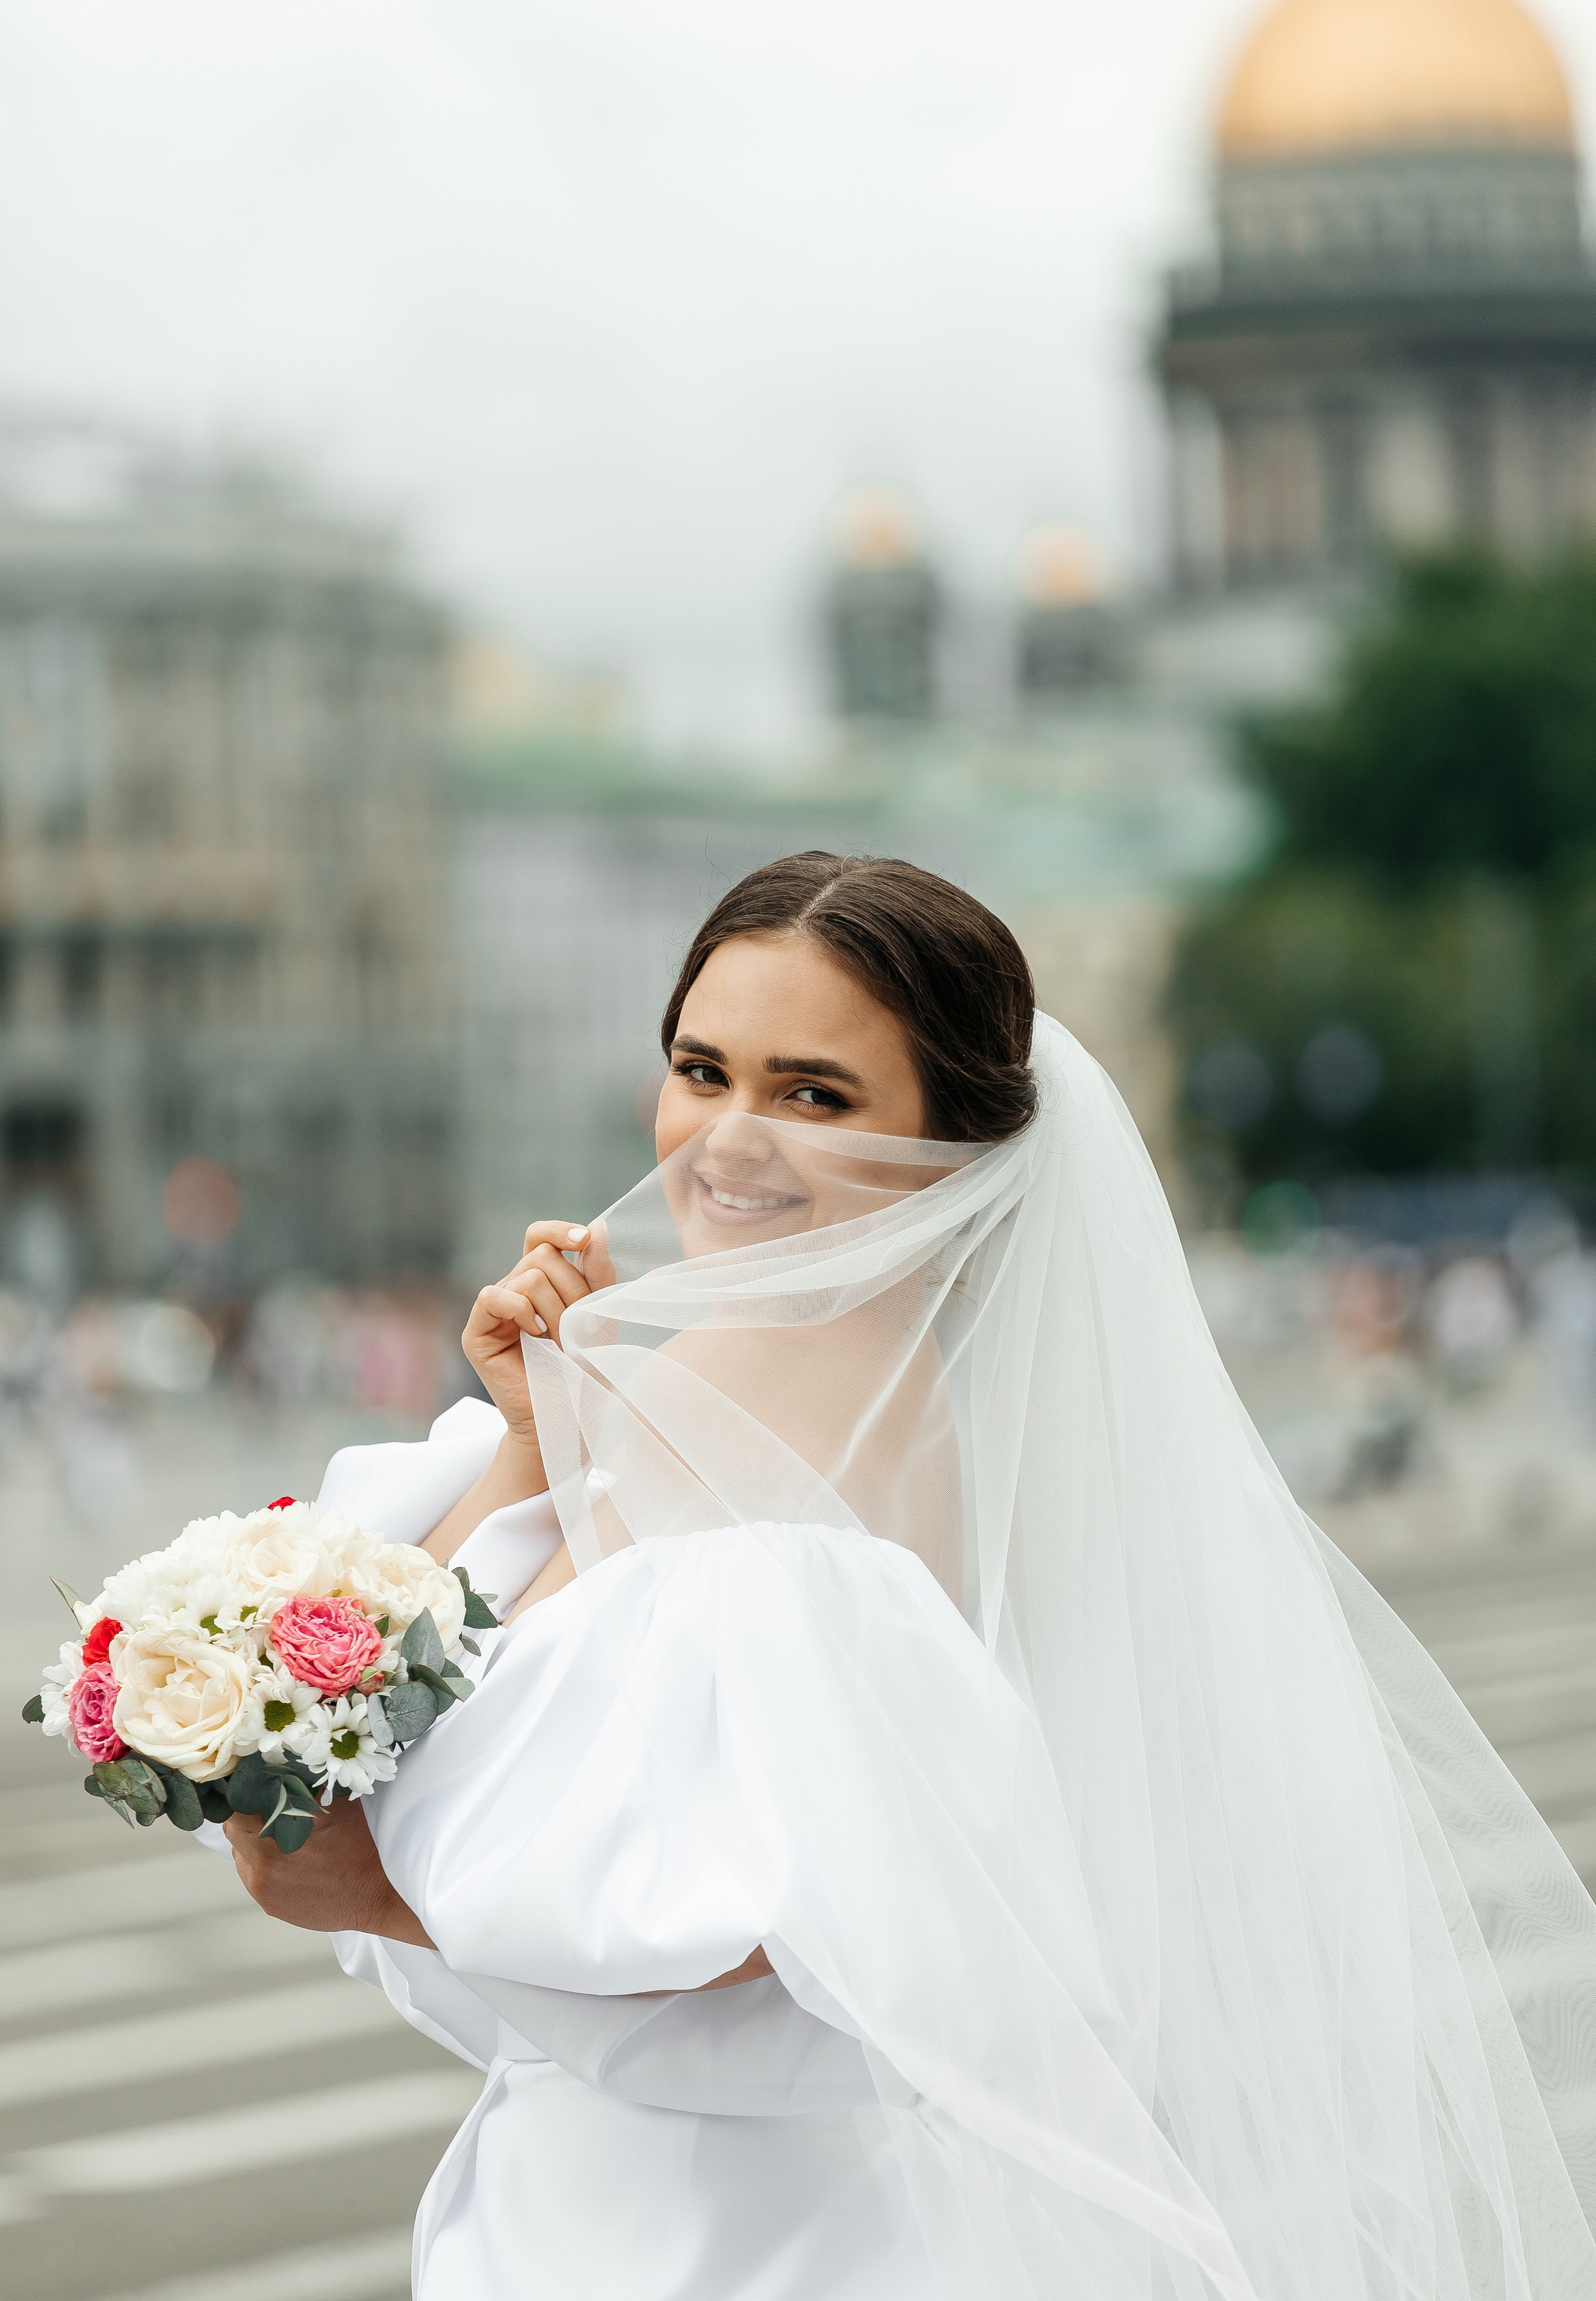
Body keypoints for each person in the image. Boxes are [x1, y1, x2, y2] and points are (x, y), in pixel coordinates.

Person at [225, 853, 1596, 2300]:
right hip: (757, 2185)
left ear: (952, 1142)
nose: (727, 1140)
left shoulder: (756, 1390)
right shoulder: (880, 1393)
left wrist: (370, 1888)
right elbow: (435, 1701)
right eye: (702, 1070)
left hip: (719, 2217)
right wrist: (527, 1429)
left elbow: (761, 1914)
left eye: (815, 1095)